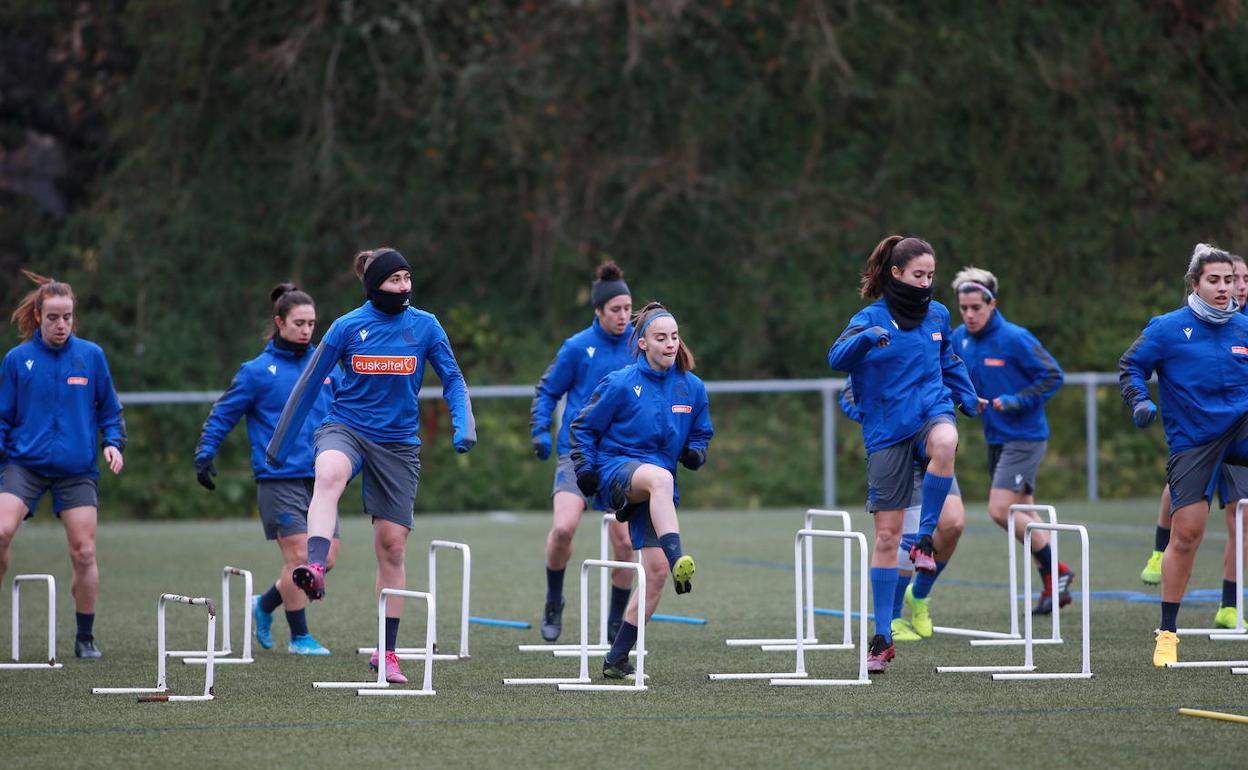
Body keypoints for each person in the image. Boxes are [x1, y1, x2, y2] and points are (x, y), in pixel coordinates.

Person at [266, 248, 475, 683]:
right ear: (374, 284)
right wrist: (279, 444)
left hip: (397, 444)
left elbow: (453, 378)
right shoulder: (347, 327)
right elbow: (308, 385)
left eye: (407, 278)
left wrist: (463, 422)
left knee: (392, 545)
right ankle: (315, 566)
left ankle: (387, 651)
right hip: (346, 427)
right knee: (328, 474)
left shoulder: (425, 326)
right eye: (394, 279)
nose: (404, 286)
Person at [827, 235, 979, 673]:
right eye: (918, 275)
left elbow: (948, 361)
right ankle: (882, 636)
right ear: (896, 273)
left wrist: (966, 395)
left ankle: (926, 540)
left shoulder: (939, 315)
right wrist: (865, 339)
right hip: (887, 430)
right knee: (887, 538)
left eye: (931, 276)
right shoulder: (869, 318)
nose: (926, 283)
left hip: (930, 412)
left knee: (946, 442)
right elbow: (836, 358)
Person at [194, 283, 341, 655]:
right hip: (278, 479)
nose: (307, 330)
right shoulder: (256, 372)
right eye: (299, 323)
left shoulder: (325, 365)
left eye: (312, 324)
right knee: (300, 559)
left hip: (323, 479)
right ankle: (299, 637)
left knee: (326, 559)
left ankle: (264, 603)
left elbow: (348, 407)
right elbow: (223, 414)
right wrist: (205, 453)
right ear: (280, 322)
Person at [1120, 243, 1248, 666]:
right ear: (1195, 283)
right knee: (1188, 534)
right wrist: (1139, 399)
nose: (1224, 288)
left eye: (1230, 280)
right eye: (1214, 280)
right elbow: (1131, 366)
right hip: (1194, 439)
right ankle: (1167, 633)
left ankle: (1230, 604)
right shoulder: (1167, 328)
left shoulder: (1243, 328)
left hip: (1242, 427)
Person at [569, 302, 712, 680]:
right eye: (661, 338)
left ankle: (616, 658)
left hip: (658, 489)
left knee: (656, 573)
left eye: (674, 337)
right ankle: (679, 556)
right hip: (617, 470)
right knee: (660, 479)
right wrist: (584, 468)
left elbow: (701, 434)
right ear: (643, 343)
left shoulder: (692, 387)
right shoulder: (620, 383)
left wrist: (696, 452)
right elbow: (582, 427)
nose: (670, 344)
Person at [0, 270, 126, 658]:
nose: (61, 324)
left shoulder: (91, 357)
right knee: (1, 532)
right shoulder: (17, 361)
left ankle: (85, 637)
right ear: (38, 315)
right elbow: (3, 417)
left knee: (84, 552)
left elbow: (110, 411)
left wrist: (114, 444)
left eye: (67, 317)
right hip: (24, 465)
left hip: (76, 469)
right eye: (53, 317)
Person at [949, 267, 1072, 615]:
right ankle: (1054, 579)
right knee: (1025, 513)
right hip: (996, 436)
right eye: (964, 308)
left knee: (1001, 510)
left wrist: (1017, 400)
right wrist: (965, 400)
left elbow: (1053, 375)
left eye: (976, 307)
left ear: (992, 304)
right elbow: (953, 378)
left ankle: (1058, 571)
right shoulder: (958, 338)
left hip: (1025, 437)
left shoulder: (1015, 338)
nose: (969, 315)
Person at [530, 262, 636, 643]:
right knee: (563, 529)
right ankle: (553, 600)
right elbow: (548, 391)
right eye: (615, 309)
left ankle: (616, 619)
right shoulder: (577, 347)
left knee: (625, 543)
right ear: (598, 311)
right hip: (577, 454)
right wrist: (540, 429)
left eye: (628, 309)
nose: (623, 316)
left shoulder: (639, 346)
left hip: (620, 458)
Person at [840, 384, 965, 640]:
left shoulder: (932, 352)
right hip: (897, 446)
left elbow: (948, 372)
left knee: (953, 523)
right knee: (907, 537)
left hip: (931, 444)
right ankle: (894, 619)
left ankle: (918, 595)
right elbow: (849, 396)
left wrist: (968, 396)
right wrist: (882, 416)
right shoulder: (874, 356)